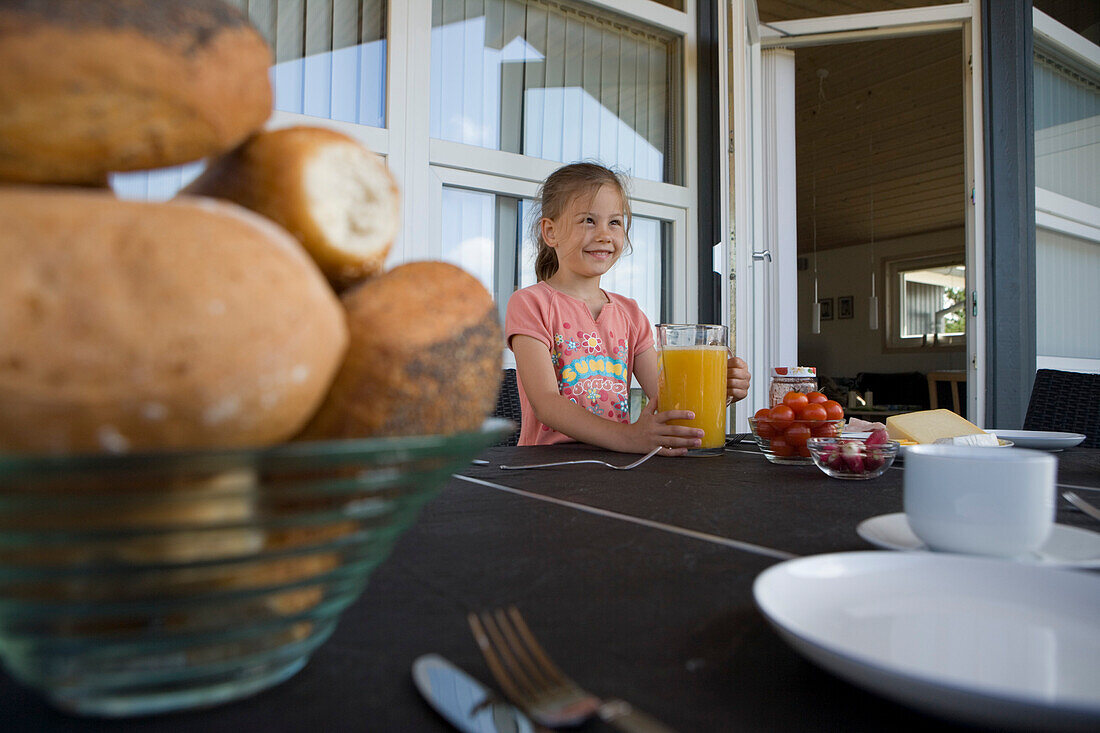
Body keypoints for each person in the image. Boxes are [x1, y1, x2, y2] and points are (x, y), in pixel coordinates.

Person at [505, 162, 751, 456]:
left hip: (616, 466)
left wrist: (718, 390)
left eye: (615, 222)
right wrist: (629, 437)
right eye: (588, 220)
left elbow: (669, 398)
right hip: (549, 467)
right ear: (550, 231)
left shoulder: (631, 314)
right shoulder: (530, 303)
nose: (604, 234)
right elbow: (546, 403)